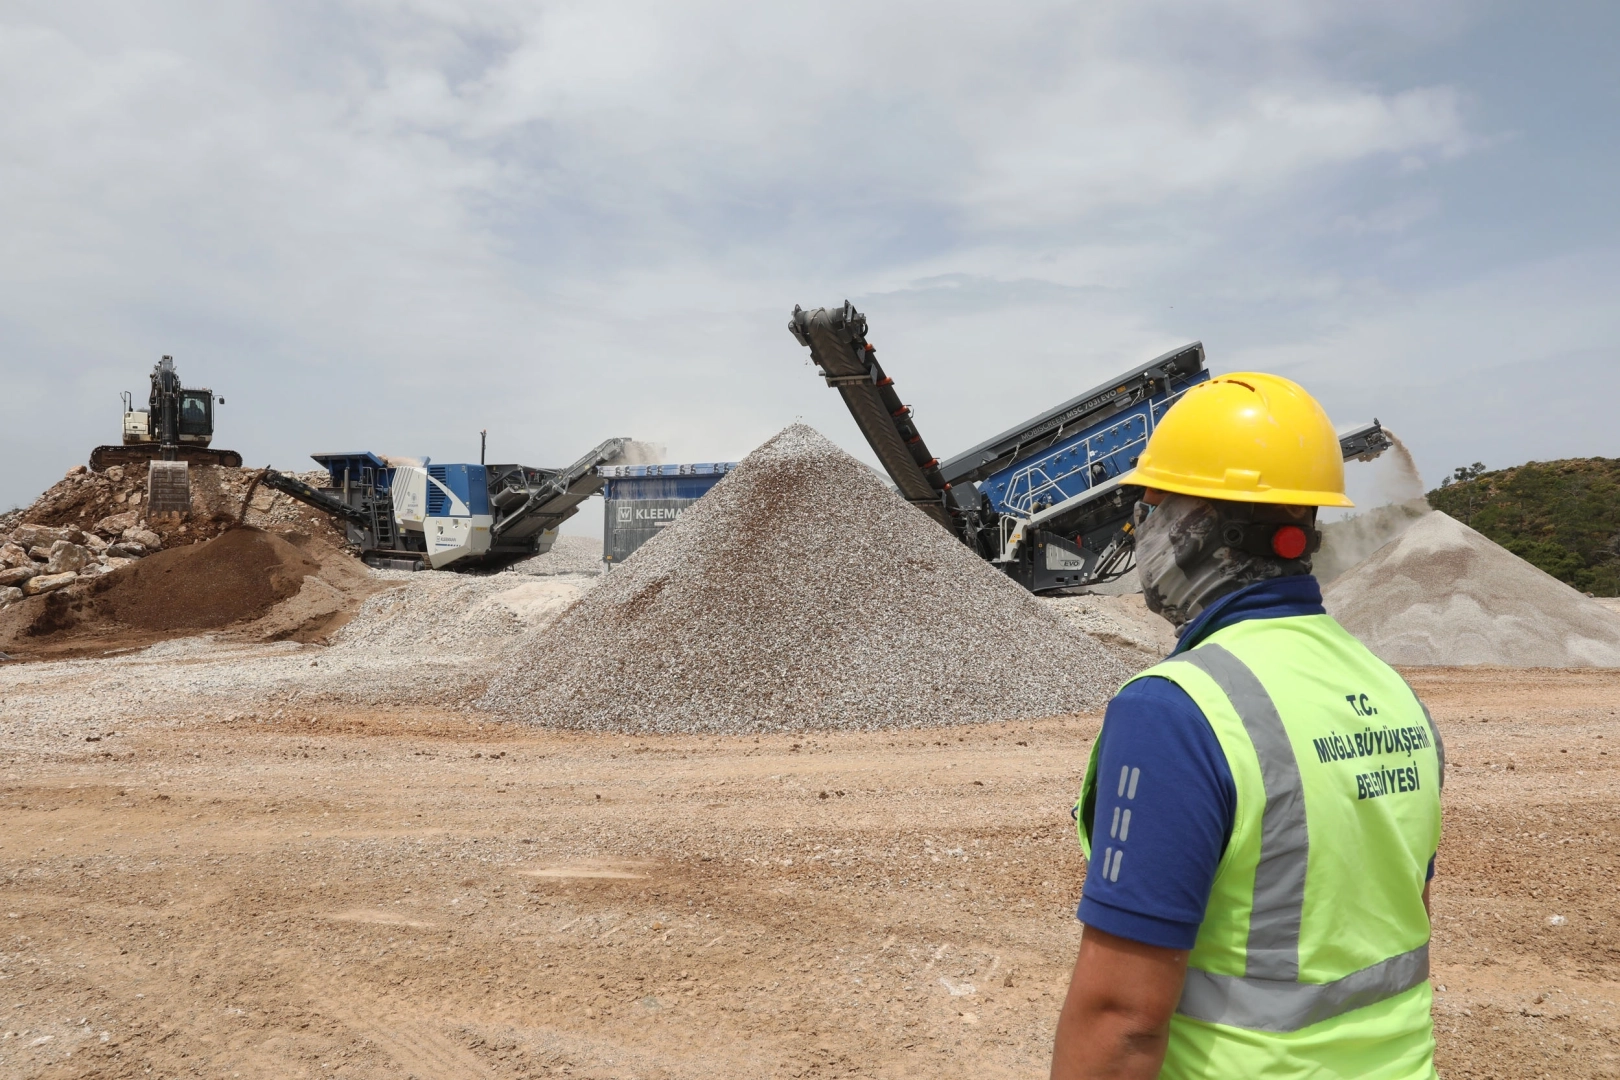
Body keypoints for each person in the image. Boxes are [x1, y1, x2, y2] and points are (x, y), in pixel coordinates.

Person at [1048, 373, 1444, 1080]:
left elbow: (1121, 1019)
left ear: (1201, 528)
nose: (1143, 530)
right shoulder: (1392, 693)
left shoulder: (1176, 712)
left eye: (1154, 506)